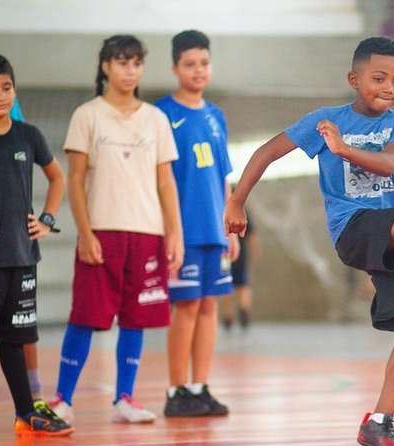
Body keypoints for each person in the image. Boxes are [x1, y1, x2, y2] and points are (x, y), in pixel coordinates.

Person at [224, 37, 394, 446]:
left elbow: (389, 163)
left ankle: (379, 423)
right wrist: (238, 200)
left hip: (390, 233)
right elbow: (267, 151)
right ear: (354, 79)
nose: (389, 88)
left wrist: (344, 149)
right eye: (379, 78)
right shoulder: (324, 119)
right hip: (352, 230)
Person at [49, 35, 183, 425]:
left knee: (136, 318)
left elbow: (166, 183)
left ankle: (125, 397)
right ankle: (63, 398)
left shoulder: (156, 119)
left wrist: (173, 233)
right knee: (86, 315)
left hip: (147, 233)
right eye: (122, 63)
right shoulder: (87, 115)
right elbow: (74, 181)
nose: (130, 71)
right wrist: (85, 232)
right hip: (102, 232)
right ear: (106, 65)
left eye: (136, 63)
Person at [0, 52, 72, 439]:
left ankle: (27, 412)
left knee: (16, 339)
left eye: (7, 87)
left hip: (22, 256)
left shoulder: (28, 135)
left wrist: (46, 219)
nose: (1, 96)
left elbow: (57, 177)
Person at [156, 30, 236, 417]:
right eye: (189, 64)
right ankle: (175, 391)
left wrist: (232, 226)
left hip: (215, 231)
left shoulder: (217, 115)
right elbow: (160, 178)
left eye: (203, 63)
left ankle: (198, 385)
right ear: (174, 68)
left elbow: (224, 177)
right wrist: (170, 231)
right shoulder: (162, 114)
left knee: (209, 307)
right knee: (185, 307)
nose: (198, 70)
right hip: (182, 232)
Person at [0, 95, 43, 402]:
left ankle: (32, 400)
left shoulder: (12, 114)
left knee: (17, 330)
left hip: (8, 244)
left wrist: (47, 219)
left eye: (6, 86)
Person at [221, 207, 258, 331]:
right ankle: (242, 311)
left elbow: (252, 235)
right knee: (242, 284)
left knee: (228, 283)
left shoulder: (223, 208)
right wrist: (253, 253)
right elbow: (252, 236)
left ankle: (229, 315)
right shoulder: (243, 210)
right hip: (238, 254)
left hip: (226, 254)